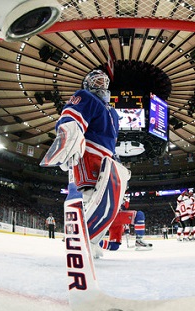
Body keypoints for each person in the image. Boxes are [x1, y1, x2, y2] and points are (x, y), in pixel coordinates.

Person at [40, 69, 130, 257]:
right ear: (88, 84)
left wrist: (116, 158)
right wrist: (68, 135)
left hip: (107, 158)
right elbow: (71, 117)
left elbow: (111, 140)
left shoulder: (113, 112)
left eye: (103, 81)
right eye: (96, 81)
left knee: (107, 201)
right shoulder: (85, 96)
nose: (101, 85)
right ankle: (77, 236)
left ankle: (93, 239)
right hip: (88, 152)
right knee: (88, 196)